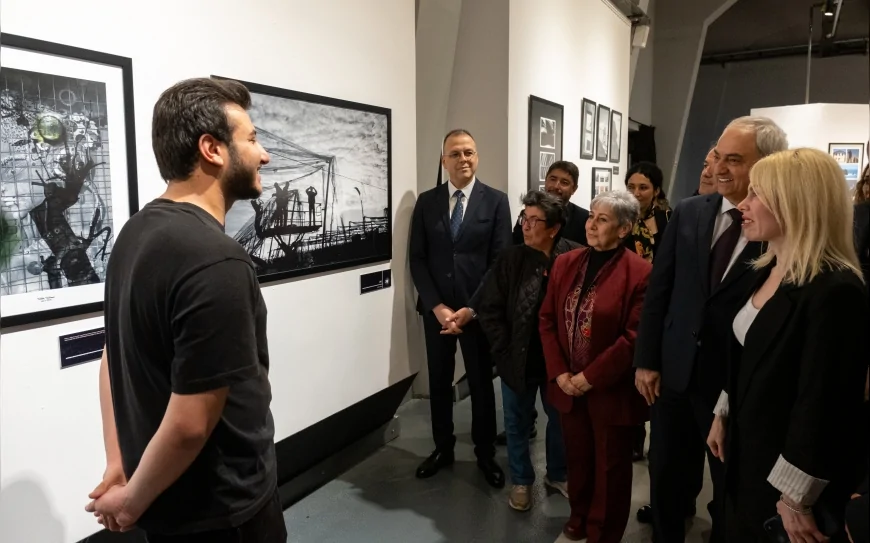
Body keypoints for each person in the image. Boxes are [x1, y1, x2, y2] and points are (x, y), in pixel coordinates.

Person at [84, 78, 285, 542]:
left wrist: (120, 464)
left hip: (169, 505)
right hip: (224, 511)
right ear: (212, 149)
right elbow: (192, 423)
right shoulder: (217, 260)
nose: (264, 155)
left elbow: (112, 356)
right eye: (252, 139)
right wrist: (129, 502)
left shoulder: (134, 234)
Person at [633, 116, 789, 543]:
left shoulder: (779, 229)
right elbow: (659, 291)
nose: (718, 168)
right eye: (717, 156)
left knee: (729, 490)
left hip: (731, 385)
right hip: (673, 375)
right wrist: (646, 360)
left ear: (767, 164)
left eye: (733, 160)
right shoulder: (689, 212)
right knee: (666, 476)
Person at [706, 147, 869, 542]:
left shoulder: (835, 290)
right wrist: (723, 410)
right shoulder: (768, 268)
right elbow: (749, 351)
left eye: (757, 194)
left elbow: (824, 403)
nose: (743, 204)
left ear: (796, 203)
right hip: (747, 450)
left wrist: (796, 496)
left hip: (782, 474)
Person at [539, 190, 651, 542]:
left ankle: (604, 530)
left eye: (602, 219)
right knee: (578, 457)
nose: (591, 224)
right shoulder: (566, 262)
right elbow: (546, 319)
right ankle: (580, 515)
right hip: (568, 385)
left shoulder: (640, 272)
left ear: (624, 228)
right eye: (590, 216)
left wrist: (589, 377)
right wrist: (560, 373)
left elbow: (633, 337)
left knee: (610, 465)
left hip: (610, 389)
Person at [409, 128, 512, 488]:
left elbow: (499, 262)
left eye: (469, 152)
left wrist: (472, 309)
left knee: (481, 383)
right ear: (444, 160)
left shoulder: (495, 201)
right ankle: (443, 448)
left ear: (477, 157)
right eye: (455, 153)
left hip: (477, 313)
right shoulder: (427, 202)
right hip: (437, 312)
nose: (463, 159)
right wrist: (436, 306)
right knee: (439, 382)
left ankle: (485, 453)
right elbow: (417, 259)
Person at [478, 191, 579, 511]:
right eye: (525, 217)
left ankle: (558, 474)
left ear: (554, 228)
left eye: (535, 220)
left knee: (560, 419)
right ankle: (521, 480)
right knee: (516, 422)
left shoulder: (574, 257)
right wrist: (503, 350)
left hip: (558, 362)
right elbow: (490, 309)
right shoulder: (511, 259)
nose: (526, 225)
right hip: (517, 358)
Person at [512, 160, 589, 246]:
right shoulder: (528, 214)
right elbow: (515, 244)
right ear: (545, 181)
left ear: (574, 189)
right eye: (553, 179)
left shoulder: (584, 219)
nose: (556, 186)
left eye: (564, 182)